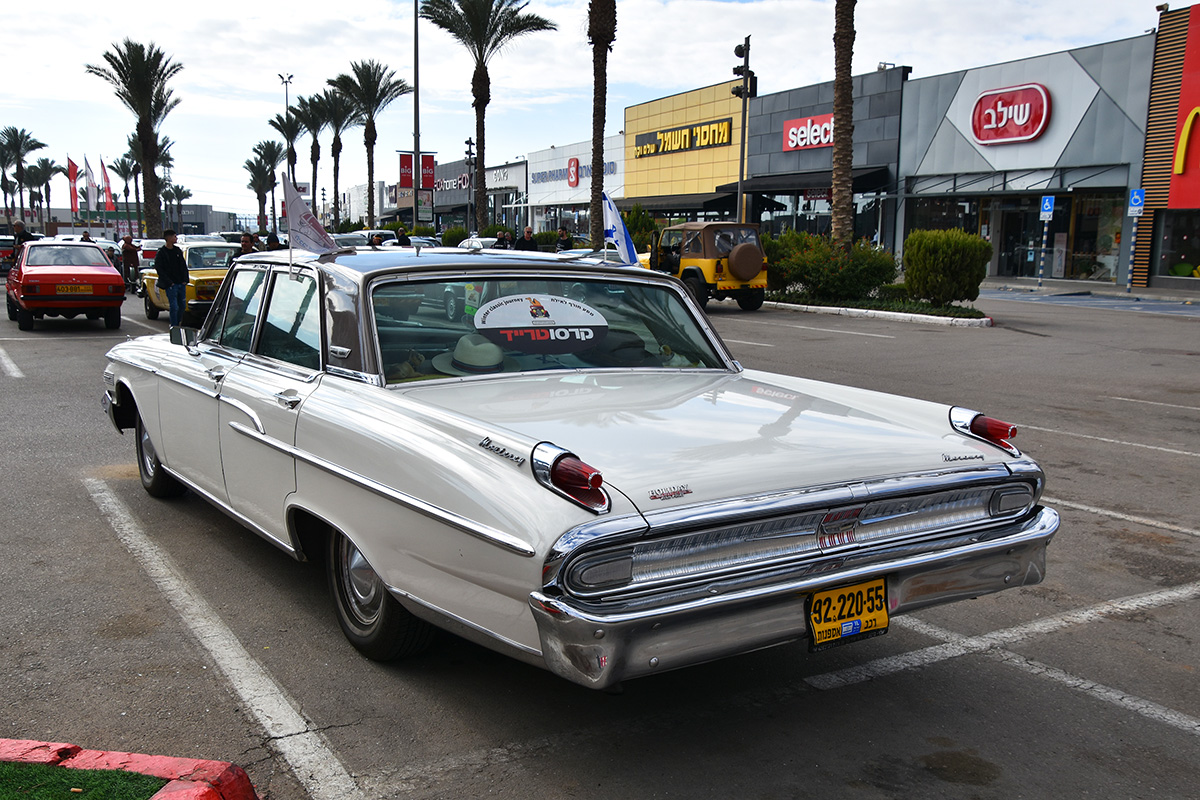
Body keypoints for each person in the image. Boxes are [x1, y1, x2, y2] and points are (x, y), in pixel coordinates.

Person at [154, 230, 189, 327]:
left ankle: (178, 323)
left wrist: (185, 280)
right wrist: (169, 282)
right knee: (174, 306)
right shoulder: (162, 252)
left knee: (182, 306)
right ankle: (174, 325)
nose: (176, 238)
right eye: (174, 236)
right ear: (168, 238)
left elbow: (183, 265)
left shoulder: (177, 250)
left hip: (180, 283)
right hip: (171, 284)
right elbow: (159, 268)